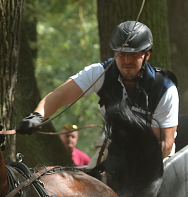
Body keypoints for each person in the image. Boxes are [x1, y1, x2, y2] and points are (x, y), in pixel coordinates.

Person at [17, 21, 179, 166]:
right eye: (122, 54)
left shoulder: (165, 89)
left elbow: (166, 143)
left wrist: (133, 167)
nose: (127, 61)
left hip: (155, 155)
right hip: (113, 149)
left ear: (147, 55)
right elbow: (61, 95)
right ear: (114, 53)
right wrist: (38, 116)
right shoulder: (100, 73)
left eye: (134, 55)